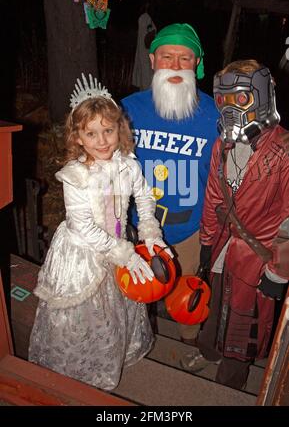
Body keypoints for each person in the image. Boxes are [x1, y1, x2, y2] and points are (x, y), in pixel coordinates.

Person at [28, 74, 172, 391]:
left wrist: (150, 231)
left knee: (115, 309)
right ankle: (75, 370)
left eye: (108, 131)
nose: (102, 140)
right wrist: (123, 253)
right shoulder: (75, 175)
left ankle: (110, 356)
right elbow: (84, 226)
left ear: (119, 129)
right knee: (83, 315)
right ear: (77, 136)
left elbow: (145, 196)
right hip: (83, 253)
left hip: (120, 244)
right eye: (91, 133)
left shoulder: (128, 165)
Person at [181, 59, 289, 390]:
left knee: (245, 321)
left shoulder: (284, 150)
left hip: (259, 254)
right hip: (223, 245)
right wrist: (206, 241)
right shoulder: (223, 143)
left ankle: (228, 382)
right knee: (214, 308)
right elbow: (215, 197)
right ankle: (208, 352)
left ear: (260, 95)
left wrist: (279, 272)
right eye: (223, 100)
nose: (230, 108)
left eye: (239, 99)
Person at [121, 23, 219, 344]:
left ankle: (188, 343)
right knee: (135, 291)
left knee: (188, 297)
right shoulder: (128, 109)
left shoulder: (217, 116)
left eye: (184, 58)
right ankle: (134, 342)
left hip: (189, 229)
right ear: (152, 61)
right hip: (137, 226)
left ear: (198, 64)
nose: (175, 66)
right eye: (167, 57)